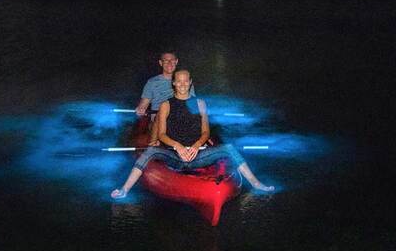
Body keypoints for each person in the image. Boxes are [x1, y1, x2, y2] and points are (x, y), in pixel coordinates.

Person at [111, 70, 274, 198]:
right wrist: (178, 147)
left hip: (198, 155)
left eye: (185, 81)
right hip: (174, 156)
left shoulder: (200, 103)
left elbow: (205, 132)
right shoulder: (165, 105)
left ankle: (257, 184)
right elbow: (161, 135)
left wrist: (196, 147)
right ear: (174, 83)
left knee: (229, 148)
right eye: (179, 81)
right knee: (150, 151)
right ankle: (125, 189)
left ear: (190, 83)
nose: (182, 84)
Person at [135, 51, 194, 145]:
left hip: (179, 118)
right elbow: (143, 106)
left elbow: (193, 105)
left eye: (172, 60)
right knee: (161, 113)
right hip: (158, 120)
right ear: (160, 63)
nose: (169, 63)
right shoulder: (152, 82)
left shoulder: (185, 81)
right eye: (166, 61)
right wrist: (140, 109)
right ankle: (153, 145)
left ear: (176, 62)